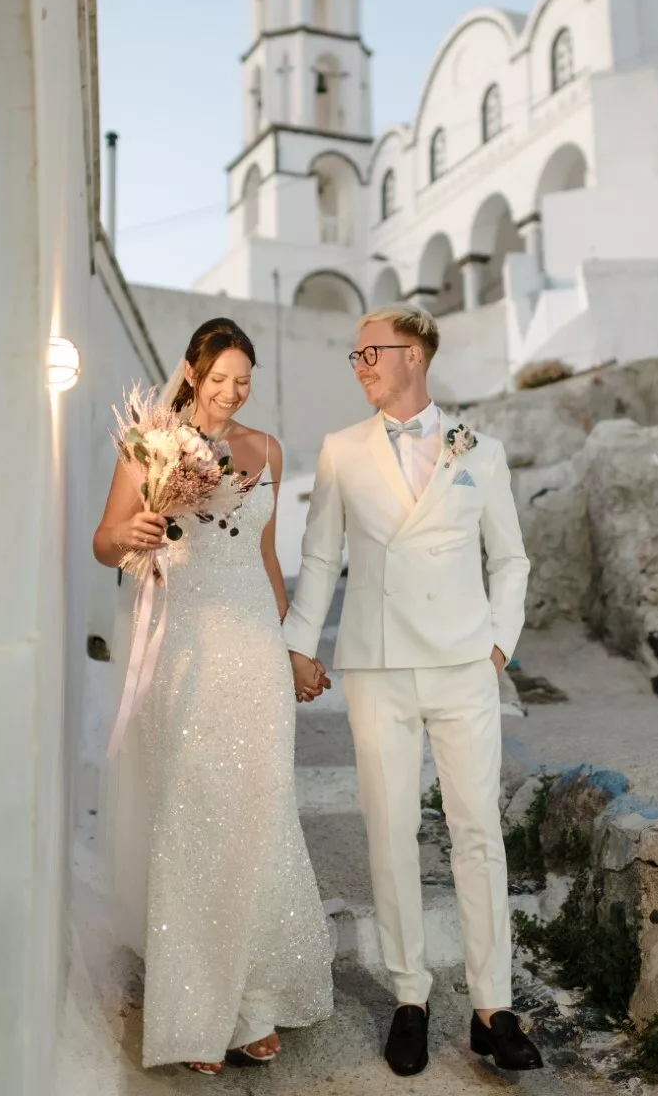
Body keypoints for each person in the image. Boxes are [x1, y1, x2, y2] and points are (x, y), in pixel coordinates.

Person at [283, 305, 543, 1076]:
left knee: (476, 831)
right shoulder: (341, 451)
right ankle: (409, 996)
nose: (359, 364)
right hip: (379, 664)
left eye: (371, 351)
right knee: (391, 831)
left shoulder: (481, 451)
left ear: (414, 356)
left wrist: (500, 642)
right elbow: (321, 556)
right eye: (354, 353)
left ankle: (493, 1008)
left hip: (466, 665)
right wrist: (300, 642)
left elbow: (513, 560)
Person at [93, 317, 332, 1075]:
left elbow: (266, 554)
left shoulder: (268, 449)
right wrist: (132, 531)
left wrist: (293, 647)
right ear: (193, 372)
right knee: (196, 810)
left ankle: (256, 1000)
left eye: (244, 381)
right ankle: (200, 1008)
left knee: (260, 808)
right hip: (186, 646)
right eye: (221, 378)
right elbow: (105, 540)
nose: (233, 393)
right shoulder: (150, 443)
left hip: (253, 645)